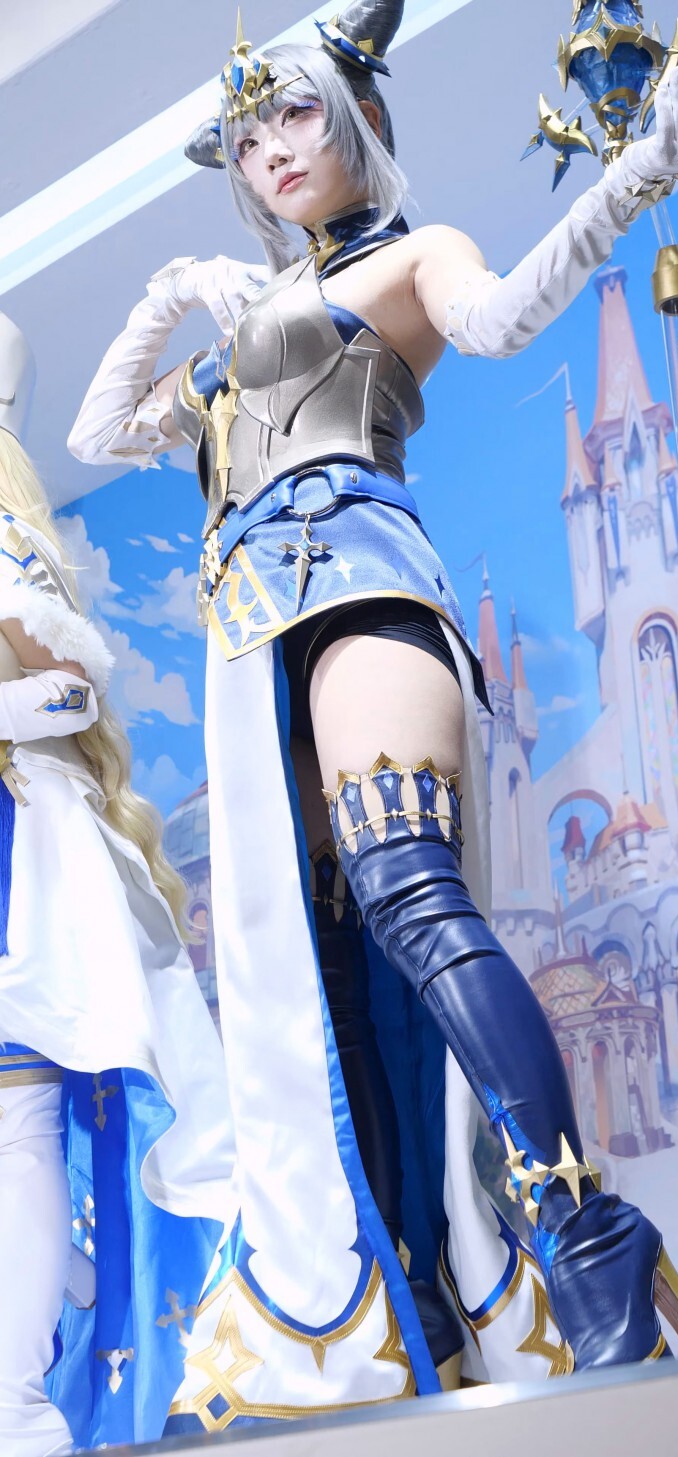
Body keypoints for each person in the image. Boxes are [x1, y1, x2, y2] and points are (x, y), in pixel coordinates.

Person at [69, 1, 678, 1426]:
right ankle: (415, 1291)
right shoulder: (236, 332)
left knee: (410, 898)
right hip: (252, 641)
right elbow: (97, 432)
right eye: (246, 135)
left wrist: (633, 182)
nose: (271, 148)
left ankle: (586, 1234)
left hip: (355, 581)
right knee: (327, 966)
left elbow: (500, 320)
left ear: (358, 119)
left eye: (296, 112)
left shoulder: (407, 255)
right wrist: (176, 286)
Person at [0, 311, 235, 1455]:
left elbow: (68, 695)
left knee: (17, 1121)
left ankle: (21, 1401)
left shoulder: (4, 538)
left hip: (20, 853)